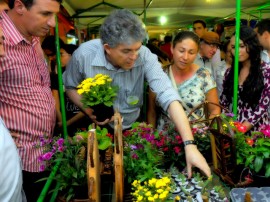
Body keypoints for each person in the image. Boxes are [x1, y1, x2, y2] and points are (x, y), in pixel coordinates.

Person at [63, 9, 211, 178]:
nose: (134, 57)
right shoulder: (83, 55)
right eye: (127, 51)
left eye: (137, 49)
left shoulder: (145, 56)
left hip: (132, 128)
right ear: (108, 48)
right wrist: (89, 110)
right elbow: (70, 86)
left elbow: (167, 94)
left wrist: (189, 144)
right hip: (98, 128)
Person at [0, 0, 62, 201]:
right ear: (19, 6)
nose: (52, 23)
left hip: (42, 154)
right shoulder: (2, 40)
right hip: (17, 161)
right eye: (45, 14)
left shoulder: (33, 36)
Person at [147, 31, 220, 131]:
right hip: (164, 142)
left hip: (196, 140)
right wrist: (151, 138)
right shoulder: (159, 76)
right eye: (181, 51)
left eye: (191, 52)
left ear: (197, 53)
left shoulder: (204, 76)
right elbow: (152, 112)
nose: (185, 57)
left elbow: (215, 109)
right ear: (172, 48)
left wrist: (206, 134)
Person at [220, 26, 270, 132]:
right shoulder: (230, 73)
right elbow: (224, 103)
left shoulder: (266, 71)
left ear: (252, 45)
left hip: (257, 132)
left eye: (242, 46)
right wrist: (225, 126)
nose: (237, 51)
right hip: (233, 128)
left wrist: (241, 129)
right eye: (233, 47)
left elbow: (262, 106)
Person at [50, 43, 90, 135]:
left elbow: (88, 106)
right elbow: (55, 103)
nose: (57, 57)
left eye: (61, 54)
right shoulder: (58, 78)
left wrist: (67, 123)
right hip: (64, 125)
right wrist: (61, 121)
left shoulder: (85, 77)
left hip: (83, 123)